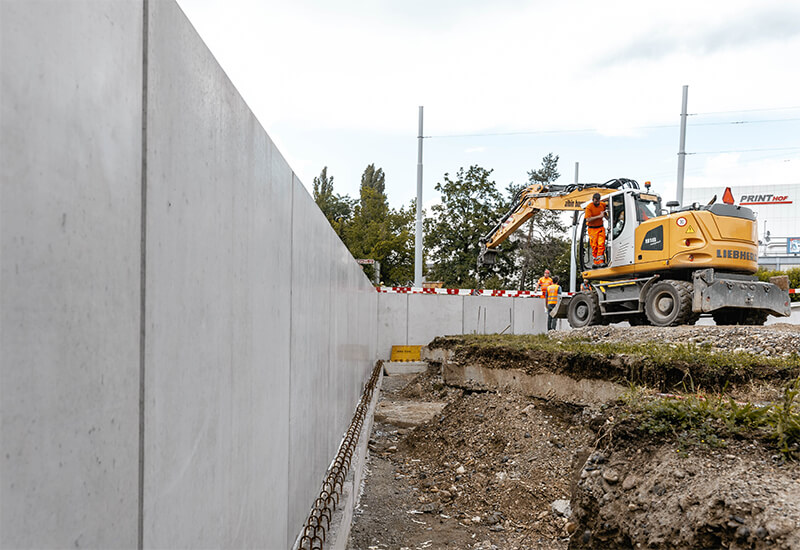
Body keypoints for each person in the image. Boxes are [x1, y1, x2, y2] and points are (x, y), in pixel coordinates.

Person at [585, 193, 607, 267]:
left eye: (598, 201)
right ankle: (595, 262)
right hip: (592, 229)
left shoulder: (602, 205)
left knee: (601, 244)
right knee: (594, 246)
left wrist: (607, 218)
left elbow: (605, 212)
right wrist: (599, 216)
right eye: (596, 201)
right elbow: (588, 219)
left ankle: (600, 261)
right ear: (593, 200)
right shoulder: (589, 207)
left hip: (600, 227)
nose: (597, 203)